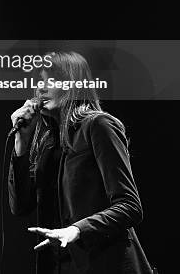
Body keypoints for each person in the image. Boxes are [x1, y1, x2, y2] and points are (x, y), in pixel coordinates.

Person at [8, 51, 153, 273]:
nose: (41, 88)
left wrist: (77, 229)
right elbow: (20, 207)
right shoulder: (48, 145)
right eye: (39, 81)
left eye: (51, 80)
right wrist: (22, 141)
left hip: (105, 264)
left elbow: (130, 206)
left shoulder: (98, 126)